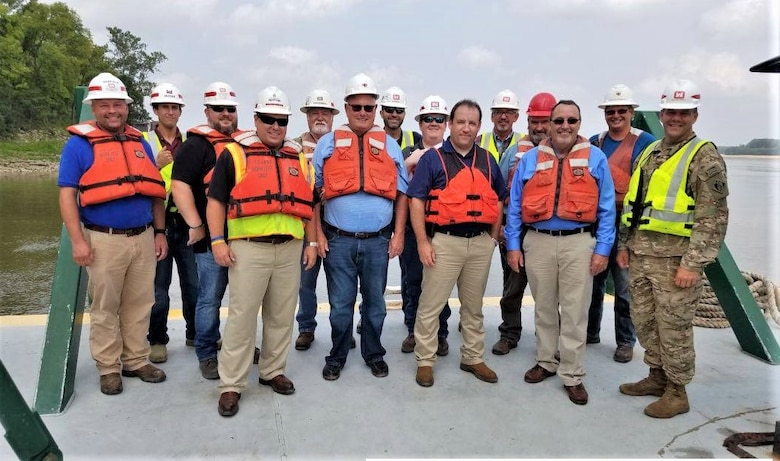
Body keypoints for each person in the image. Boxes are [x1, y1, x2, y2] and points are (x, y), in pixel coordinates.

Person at [617, 80, 729, 418]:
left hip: (676, 261)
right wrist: (624, 244)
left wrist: (693, 265)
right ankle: (656, 376)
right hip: (642, 254)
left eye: (682, 113)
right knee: (646, 321)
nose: (675, 118)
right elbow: (635, 206)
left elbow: (714, 219)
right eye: (670, 112)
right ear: (662, 113)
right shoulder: (652, 152)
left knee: (674, 327)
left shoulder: (704, 157)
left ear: (694, 114)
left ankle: (677, 391)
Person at [207, 86, 317, 417]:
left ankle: (272, 370)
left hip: (290, 248)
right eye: (268, 119)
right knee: (241, 319)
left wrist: (311, 243)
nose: (275, 126)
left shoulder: (297, 157)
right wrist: (216, 240)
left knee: (282, 316)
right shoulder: (234, 154)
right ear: (255, 119)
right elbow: (216, 200)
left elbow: (307, 204)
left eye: (281, 120)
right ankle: (231, 384)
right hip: (248, 249)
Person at [58, 72, 168, 395]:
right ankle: (109, 367)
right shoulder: (78, 146)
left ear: (127, 108)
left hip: (144, 236)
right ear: (94, 108)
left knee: (141, 302)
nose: (112, 111)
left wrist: (159, 232)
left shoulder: (139, 143)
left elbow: (155, 190)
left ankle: (136, 359)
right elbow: (67, 195)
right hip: (103, 238)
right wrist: (78, 240)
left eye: (118, 105)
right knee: (105, 306)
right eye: (104, 105)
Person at [505, 100, 616, 406]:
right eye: (558, 121)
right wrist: (513, 245)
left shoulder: (596, 158)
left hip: (579, 243)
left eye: (571, 120)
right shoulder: (529, 159)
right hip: (537, 241)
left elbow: (607, 209)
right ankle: (545, 361)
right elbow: (514, 207)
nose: (565, 126)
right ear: (549, 124)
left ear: (580, 123)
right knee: (543, 307)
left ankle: (572, 374)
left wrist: (602, 250)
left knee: (575, 311)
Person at [313, 72, 409, 381]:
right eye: (357, 107)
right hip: (337, 240)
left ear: (376, 109)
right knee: (340, 305)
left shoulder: (391, 147)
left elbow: (403, 195)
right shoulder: (326, 145)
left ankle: (374, 353)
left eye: (369, 107)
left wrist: (399, 235)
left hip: (377, 242)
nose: (363, 113)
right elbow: (313, 196)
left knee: (375, 305)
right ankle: (337, 355)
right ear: (346, 108)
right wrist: (317, 237)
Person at [407, 99, 506, 388]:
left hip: (479, 243)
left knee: (473, 307)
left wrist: (492, 237)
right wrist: (423, 242)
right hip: (444, 243)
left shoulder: (488, 160)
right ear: (451, 124)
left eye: (472, 123)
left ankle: (472, 357)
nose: (466, 128)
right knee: (430, 306)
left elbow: (499, 199)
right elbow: (416, 200)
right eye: (460, 122)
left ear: (479, 127)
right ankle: (425, 360)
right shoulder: (432, 159)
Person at [171, 81, 243, 380]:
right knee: (209, 298)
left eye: (230, 109)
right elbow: (179, 185)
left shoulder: (245, 144)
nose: (225, 114)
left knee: (242, 299)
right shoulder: (195, 146)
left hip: (244, 236)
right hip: (211, 239)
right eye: (218, 109)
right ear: (207, 112)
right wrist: (196, 225)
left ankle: (237, 346)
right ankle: (207, 351)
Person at [587, 84, 656, 363]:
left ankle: (625, 341)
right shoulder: (595, 141)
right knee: (593, 281)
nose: (615, 115)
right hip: (599, 219)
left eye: (621, 111)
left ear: (631, 112)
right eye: (611, 111)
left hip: (628, 222)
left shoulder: (645, 142)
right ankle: (590, 332)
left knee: (625, 285)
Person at [492, 91, 556, 355]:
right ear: (527, 121)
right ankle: (509, 333)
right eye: (535, 121)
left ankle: (552, 341)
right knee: (512, 287)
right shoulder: (515, 152)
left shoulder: (565, 152)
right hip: (517, 232)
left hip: (549, 235)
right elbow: (501, 194)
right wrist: (504, 229)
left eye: (545, 121)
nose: (539, 127)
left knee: (551, 293)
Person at [144, 83, 198, 364]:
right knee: (158, 287)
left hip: (186, 220)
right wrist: (155, 163)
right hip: (158, 222)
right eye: (165, 106)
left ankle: (194, 332)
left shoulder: (190, 140)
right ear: (155, 110)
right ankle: (157, 339)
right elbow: (136, 180)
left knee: (193, 283)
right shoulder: (144, 141)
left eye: (175, 107)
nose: (170, 111)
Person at [398, 95, 452, 356]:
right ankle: (413, 331)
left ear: (446, 123)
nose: (433, 123)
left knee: (440, 283)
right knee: (413, 282)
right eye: (428, 119)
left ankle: (440, 334)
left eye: (438, 119)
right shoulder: (407, 153)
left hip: (443, 229)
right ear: (419, 123)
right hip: (413, 228)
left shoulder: (454, 154)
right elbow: (397, 186)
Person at [293, 89, 340, 351]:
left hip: (334, 223)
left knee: (339, 285)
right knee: (306, 282)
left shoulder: (341, 144)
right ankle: (306, 328)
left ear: (333, 117)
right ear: (307, 117)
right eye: (314, 113)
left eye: (325, 113)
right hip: (304, 224)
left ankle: (340, 329)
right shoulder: (294, 146)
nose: (320, 117)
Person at [477, 90, 522, 164]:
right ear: (492, 116)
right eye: (499, 112)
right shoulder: (479, 141)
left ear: (516, 117)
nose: (503, 117)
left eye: (508, 112)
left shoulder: (524, 143)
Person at [380, 86, 421, 151]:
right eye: (389, 110)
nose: (394, 114)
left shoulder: (415, 139)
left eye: (399, 110)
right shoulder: (374, 139)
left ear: (404, 114)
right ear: (381, 113)